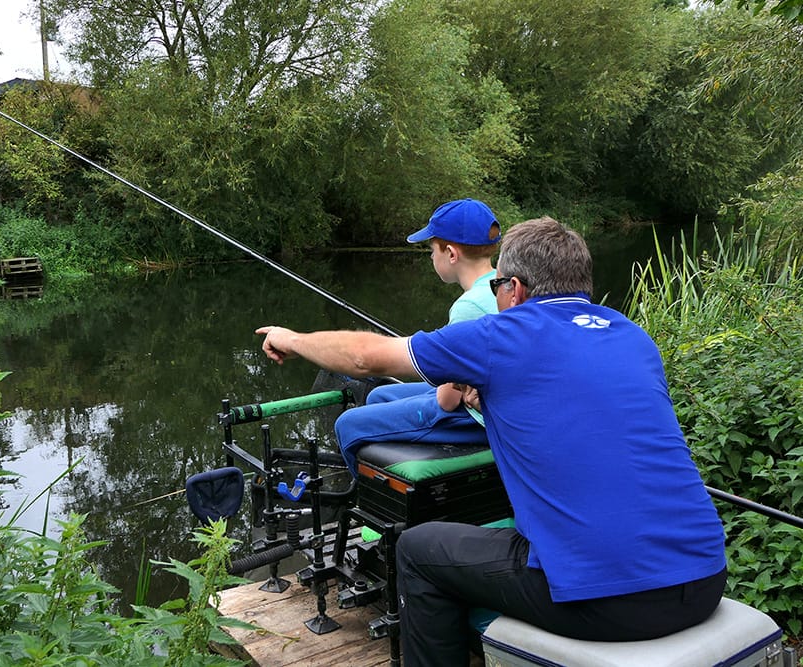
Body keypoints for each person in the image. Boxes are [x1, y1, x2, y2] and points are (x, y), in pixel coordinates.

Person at [255, 217, 727, 667]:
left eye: (497, 286)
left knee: (418, 551)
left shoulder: (503, 334)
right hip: (704, 577)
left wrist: (290, 338)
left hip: (609, 600)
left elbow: (364, 358)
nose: (495, 294)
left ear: (515, 290)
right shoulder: (632, 335)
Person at [334, 198, 500, 476]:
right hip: (486, 402)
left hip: (472, 420)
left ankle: (371, 501)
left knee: (347, 424)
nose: (430, 256)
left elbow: (447, 401)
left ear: (451, 253)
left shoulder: (468, 306)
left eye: (431, 249)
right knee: (380, 394)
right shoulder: (501, 288)